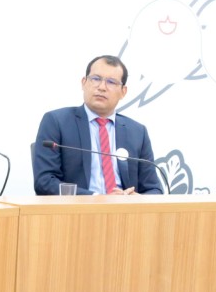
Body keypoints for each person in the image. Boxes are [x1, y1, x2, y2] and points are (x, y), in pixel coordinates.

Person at [32, 55, 162, 195]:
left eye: (111, 82)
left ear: (123, 92)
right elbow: (44, 181)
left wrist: (136, 199)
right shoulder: (57, 122)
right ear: (84, 83)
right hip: (79, 207)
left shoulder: (137, 132)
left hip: (125, 207)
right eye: (96, 79)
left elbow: (154, 189)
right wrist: (97, 198)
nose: (101, 87)